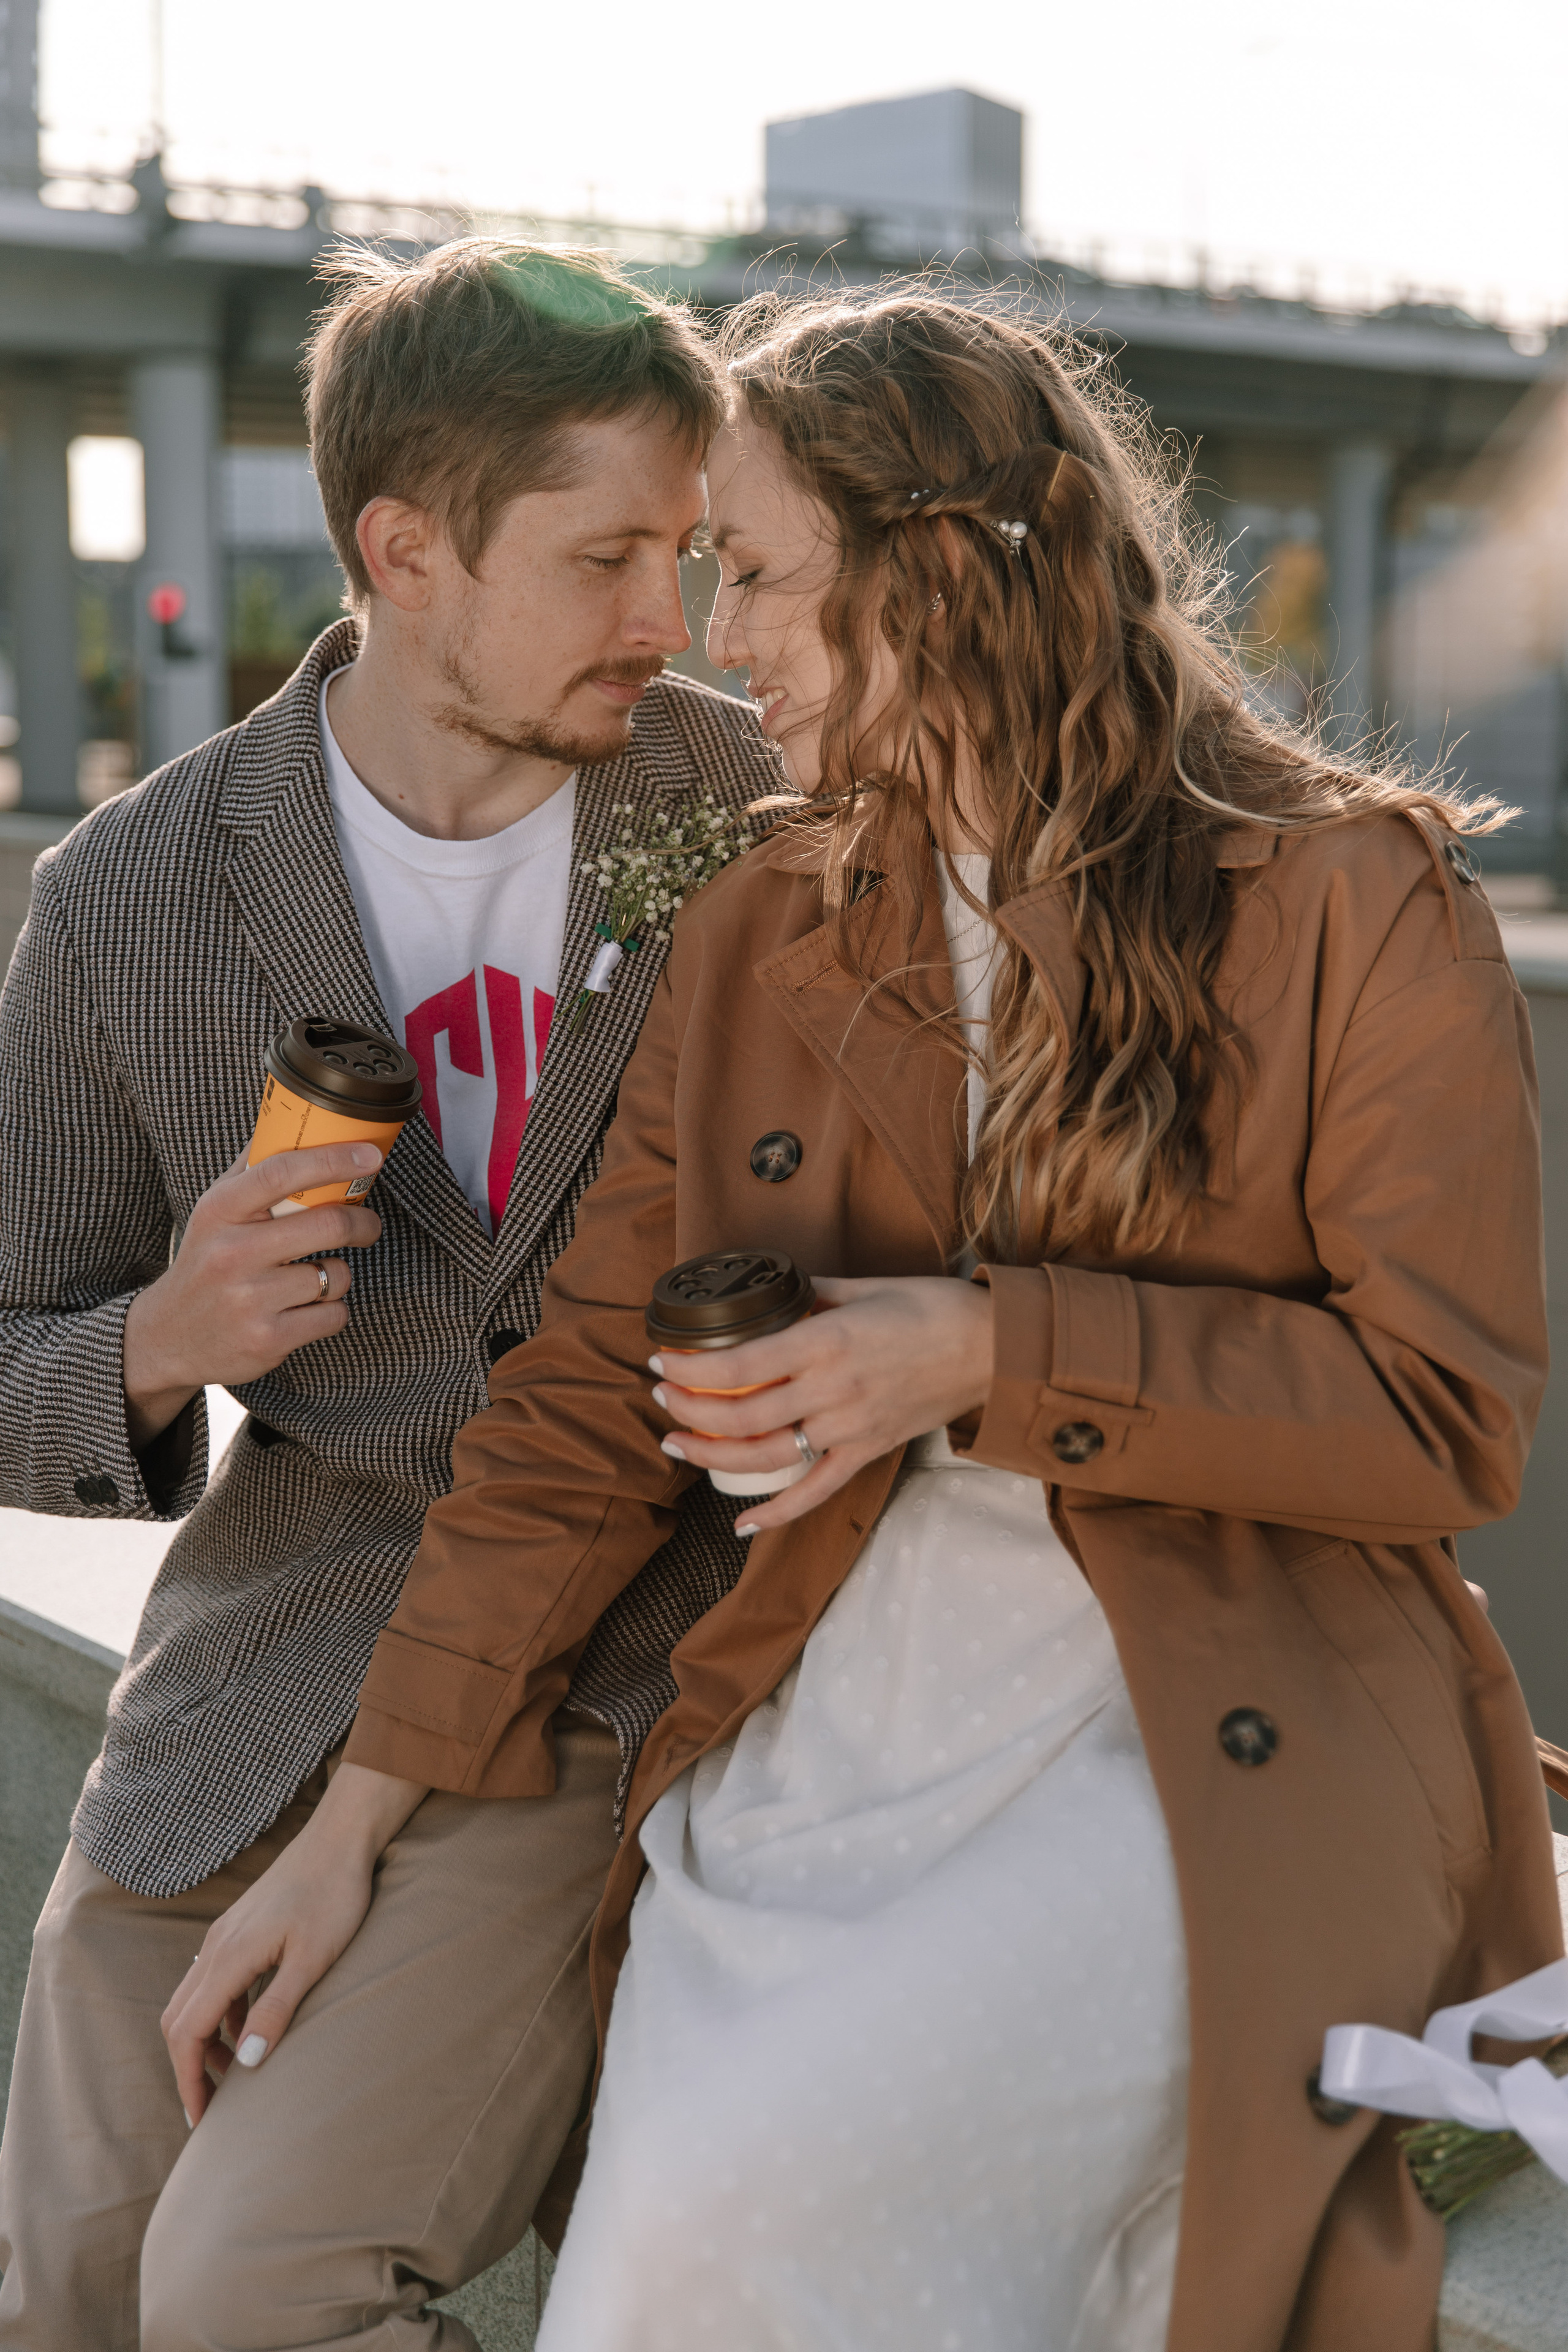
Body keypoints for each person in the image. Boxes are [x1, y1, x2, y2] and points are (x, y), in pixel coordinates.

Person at [192, 288, 1561, 2351]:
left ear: (939, 574)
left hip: (1189, 1727)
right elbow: (581, 1402)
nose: (718, 641)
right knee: (670, 2230)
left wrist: (981, 1350)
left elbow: (1442, 1414)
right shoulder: (768, 921)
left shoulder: (1349, 900)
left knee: (769, 2184)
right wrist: (352, 1828)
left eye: (756, 574)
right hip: (826, 1714)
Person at [0, 238, 782, 2352]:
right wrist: (162, 1338)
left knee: (260, 2297)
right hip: (257, 1681)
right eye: (608, 554)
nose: (669, 620)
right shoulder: (129, 898)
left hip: (613, 1664)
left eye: (688, 553)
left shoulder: (767, 821)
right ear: (404, 548)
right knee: (65, 2292)